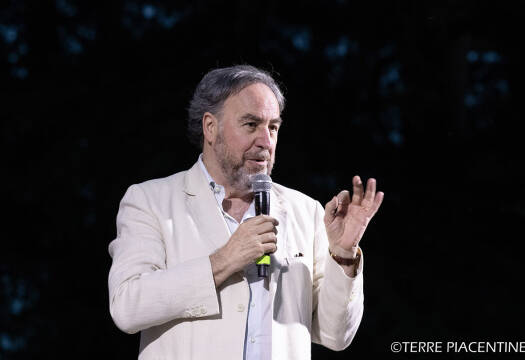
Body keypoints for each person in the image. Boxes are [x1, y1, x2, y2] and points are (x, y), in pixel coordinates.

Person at [107, 65, 384, 360]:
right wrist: (224, 260)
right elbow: (127, 307)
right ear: (210, 128)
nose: (266, 142)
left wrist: (342, 255)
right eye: (251, 125)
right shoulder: (152, 201)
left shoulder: (307, 211)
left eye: (273, 127)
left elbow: (335, 335)